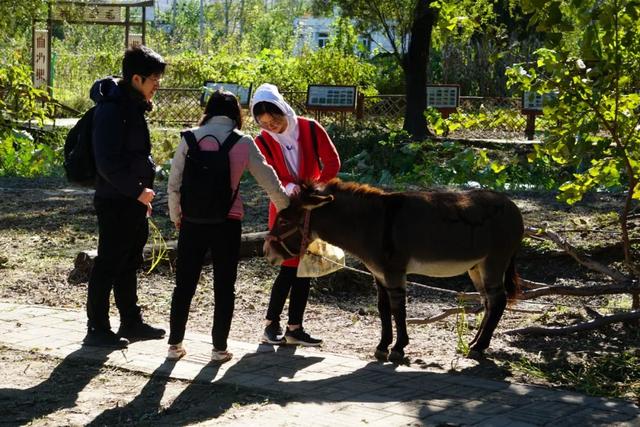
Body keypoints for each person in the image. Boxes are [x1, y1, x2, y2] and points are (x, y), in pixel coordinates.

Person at [166, 89, 289, 362]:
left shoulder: (189, 138)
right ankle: (219, 348)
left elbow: (174, 184)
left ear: (208, 111)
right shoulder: (242, 142)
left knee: (184, 285)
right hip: (227, 223)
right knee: (224, 287)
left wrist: (177, 216)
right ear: (236, 113)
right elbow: (270, 182)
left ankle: (174, 345)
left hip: (192, 222)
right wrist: (289, 211)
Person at [83, 45, 167, 348]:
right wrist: (137, 191)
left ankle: (131, 321)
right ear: (136, 78)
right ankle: (97, 328)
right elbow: (107, 163)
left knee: (129, 261)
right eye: (154, 79)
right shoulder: (111, 109)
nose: (157, 85)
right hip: (115, 200)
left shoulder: (131, 106)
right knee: (108, 262)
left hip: (132, 201)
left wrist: (140, 196)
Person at [251, 83, 340, 347]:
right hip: (284, 208)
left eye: (275, 120)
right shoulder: (261, 141)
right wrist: (289, 187)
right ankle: (271, 324)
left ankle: (295, 327)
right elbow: (268, 174)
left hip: (311, 207)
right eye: (264, 123)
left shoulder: (310, 128)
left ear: (283, 110)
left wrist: (314, 188)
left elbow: (332, 161)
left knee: (307, 268)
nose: (272, 127)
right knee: (289, 268)